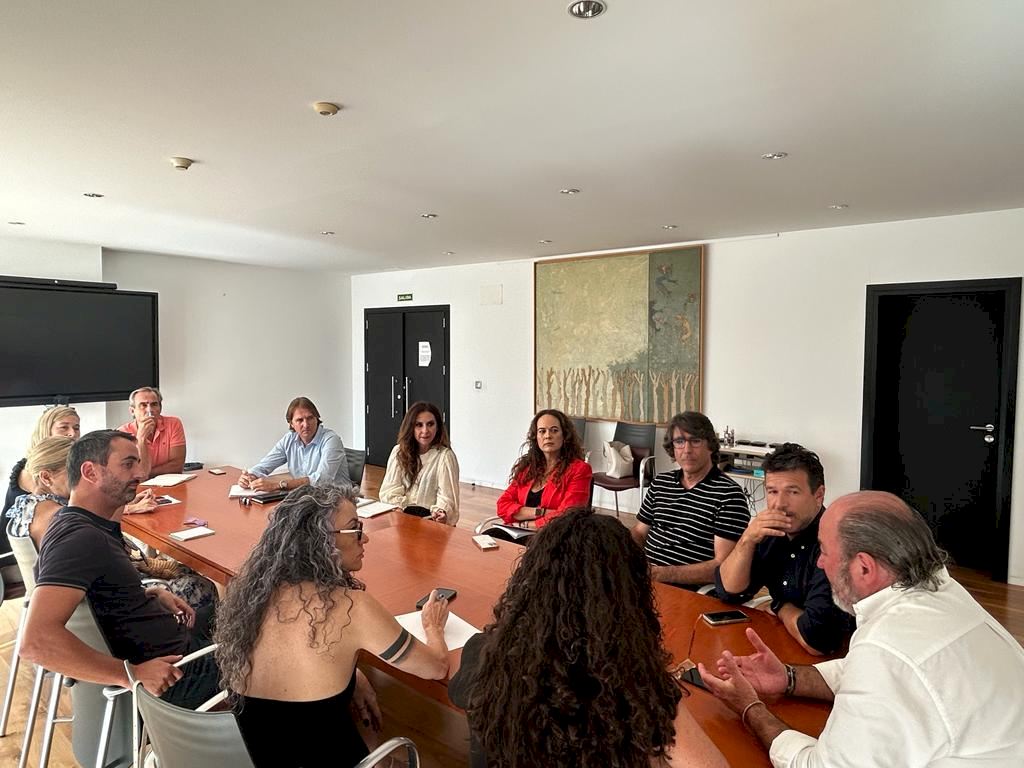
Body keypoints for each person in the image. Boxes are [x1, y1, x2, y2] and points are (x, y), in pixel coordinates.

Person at [699, 490, 1024, 767]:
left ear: (864, 568)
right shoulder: (944, 591)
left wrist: (750, 708)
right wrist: (788, 677)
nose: (819, 563)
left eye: (825, 551)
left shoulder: (886, 647)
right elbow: (875, 672)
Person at [448, 507, 728, 768]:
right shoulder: (640, 691)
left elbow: (451, 680)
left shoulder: (484, 656)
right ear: (629, 597)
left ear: (530, 583)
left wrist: (437, 639)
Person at [215, 483, 451, 767]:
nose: (365, 539)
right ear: (321, 540)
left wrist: (354, 675)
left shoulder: (252, 593)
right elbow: (436, 667)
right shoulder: (353, 608)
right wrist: (433, 627)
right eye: (356, 529)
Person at [21, 430, 219, 709]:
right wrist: (131, 675)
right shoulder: (79, 539)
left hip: (171, 644)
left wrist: (147, 594)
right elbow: (35, 642)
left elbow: (100, 599)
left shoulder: (85, 524)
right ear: (90, 472)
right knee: (267, 642)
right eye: (128, 464)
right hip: (178, 674)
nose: (140, 473)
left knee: (237, 614)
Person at [714, 443, 854, 655]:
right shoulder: (770, 532)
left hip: (836, 659)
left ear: (819, 495)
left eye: (792, 492)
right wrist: (747, 540)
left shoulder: (834, 543)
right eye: (772, 491)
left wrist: (780, 606)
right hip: (782, 642)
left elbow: (816, 640)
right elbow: (730, 592)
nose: (779, 504)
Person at [631, 411, 750, 587]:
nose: (687, 450)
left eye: (695, 441)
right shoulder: (660, 483)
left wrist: (661, 574)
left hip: (688, 590)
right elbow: (640, 532)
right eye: (680, 441)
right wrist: (624, 553)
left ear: (710, 446)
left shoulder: (729, 495)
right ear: (672, 448)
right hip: (647, 581)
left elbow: (724, 567)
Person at [2, 406, 80, 584]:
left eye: (76, 428)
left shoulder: (38, 498)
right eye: (64, 427)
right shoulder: (34, 472)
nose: (72, 433)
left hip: (39, 566)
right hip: (12, 559)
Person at [495, 409, 592, 528]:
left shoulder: (580, 469)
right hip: (516, 531)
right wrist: (541, 512)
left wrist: (525, 525)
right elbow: (502, 506)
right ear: (536, 437)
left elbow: (568, 516)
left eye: (554, 430)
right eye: (542, 431)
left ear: (565, 435)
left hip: (554, 535)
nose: (548, 436)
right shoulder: (527, 467)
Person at [238, 396, 350, 492]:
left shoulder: (331, 439)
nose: (306, 425)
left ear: (317, 419)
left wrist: (278, 485)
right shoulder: (289, 439)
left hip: (337, 499)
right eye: (300, 420)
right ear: (291, 423)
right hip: (307, 497)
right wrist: (250, 476)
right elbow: (265, 465)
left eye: (310, 418)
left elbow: (322, 480)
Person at [378, 401, 460, 525]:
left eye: (430, 424)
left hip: (431, 525)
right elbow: (389, 490)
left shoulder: (445, 457)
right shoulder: (398, 452)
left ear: (438, 427)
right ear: (410, 427)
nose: (425, 430)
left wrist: (441, 512)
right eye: (419, 425)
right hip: (401, 521)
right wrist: (399, 509)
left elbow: (447, 497)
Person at [117, 387, 187, 478]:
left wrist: (146, 473)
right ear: (132, 411)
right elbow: (128, 473)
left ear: (160, 408)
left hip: (169, 482)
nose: (149, 410)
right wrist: (141, 439)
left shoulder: (173, 423)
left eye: (154, 404)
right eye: (143, 405)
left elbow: (177, 466)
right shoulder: (122, 433)